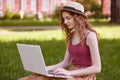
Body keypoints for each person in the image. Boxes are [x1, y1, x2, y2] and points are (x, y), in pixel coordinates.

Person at [18, 1, 101, 80]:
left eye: (68, 18)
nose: (65, 22)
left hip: (85, 77)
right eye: (64, 18)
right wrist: (44, 69)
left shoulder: (90, 36)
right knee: (36, 77)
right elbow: (65, 63)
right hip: (70, 74)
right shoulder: (71, 37)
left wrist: (69, 73)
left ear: (78, 18)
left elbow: (97, 67)